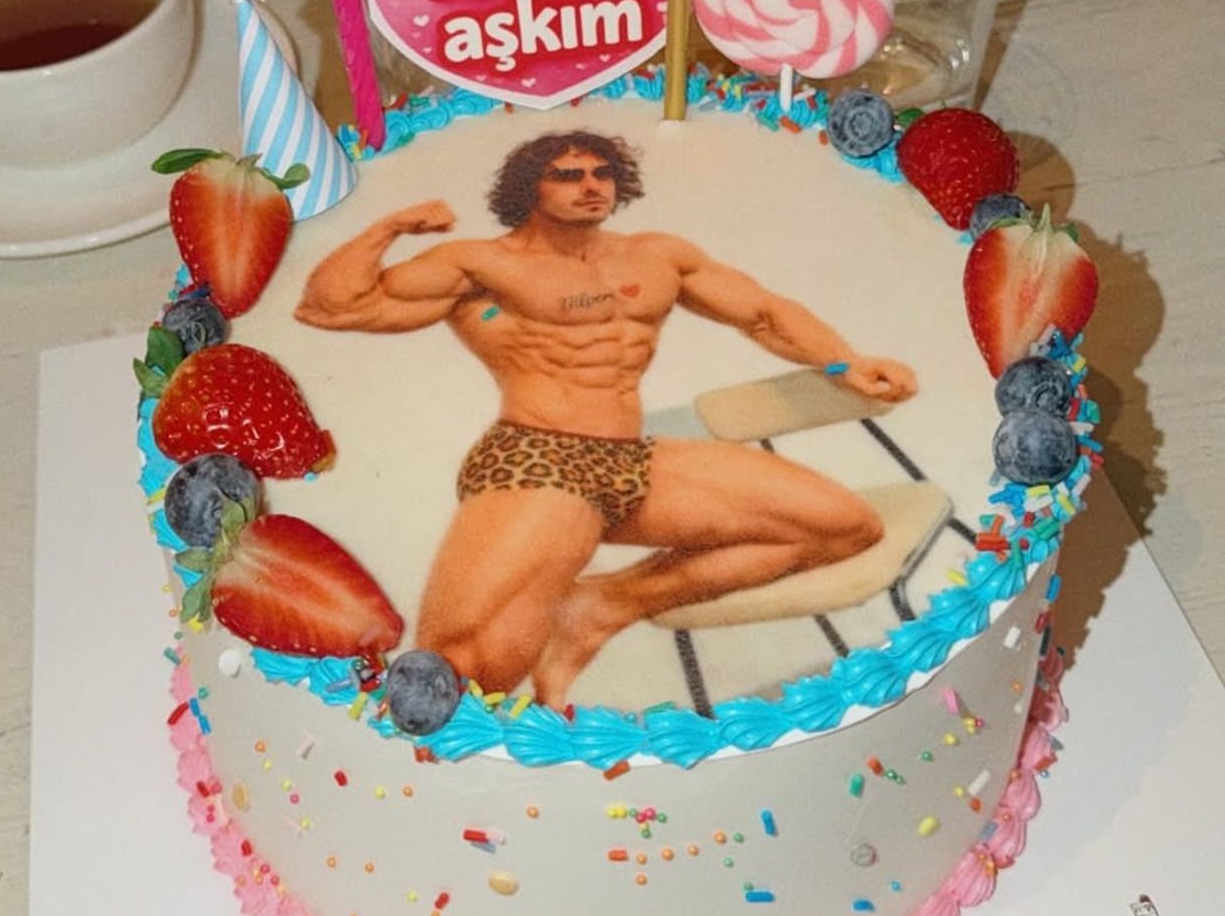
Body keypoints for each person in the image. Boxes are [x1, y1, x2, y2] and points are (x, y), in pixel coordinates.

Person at [296, 130, 916, 705]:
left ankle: (603, 606)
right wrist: (392, 226)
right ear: (530, 188)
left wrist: (845, 363)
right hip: (537, 459)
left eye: (601, 173)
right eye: (568, 175)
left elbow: (762, 314)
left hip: (630, 459)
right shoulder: (481, 264)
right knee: (467, 670)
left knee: (844, 526)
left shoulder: (656, 256)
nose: (590, 185)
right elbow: (332, 307)